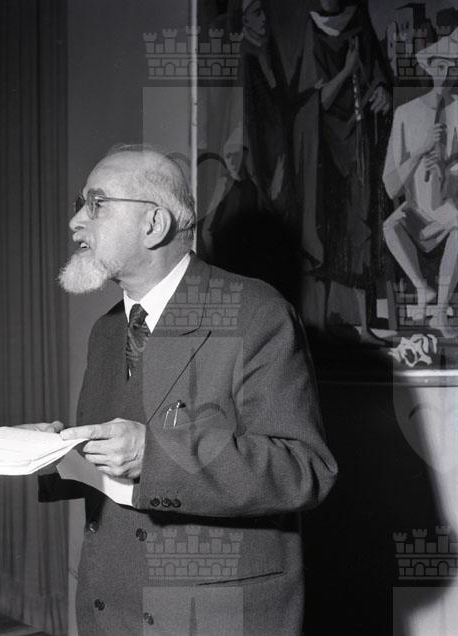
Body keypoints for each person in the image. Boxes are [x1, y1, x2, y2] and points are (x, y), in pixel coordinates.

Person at [35, 145, 337, 635]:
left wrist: (154, 456)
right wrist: (55, 454)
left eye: (96, 204)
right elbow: (114, 472)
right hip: (111, 613)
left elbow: (303, 470)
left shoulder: (256, 314)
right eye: (79, 204)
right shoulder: (107, 332)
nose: (75, 222)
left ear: (154, 224)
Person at [293, 0, 391, 343]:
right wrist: (347, 70)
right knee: (325, 231)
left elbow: (377, 74)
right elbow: (315, 100)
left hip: (358, 145)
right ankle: (321, 324)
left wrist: (382, 90)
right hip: (325, 150)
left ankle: (363, 326)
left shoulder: (359, 23)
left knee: (361, 226)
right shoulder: (308, 30)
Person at [201, 0, 300, 303]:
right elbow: (240, 118)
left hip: (268, 163)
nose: (265, 18)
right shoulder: (245, 59)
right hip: (254, 167)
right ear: (243, 20)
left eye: (265, 11)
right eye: (257, 12)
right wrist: (253, 166)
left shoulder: (265, 56)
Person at [382, 28, 458, 337]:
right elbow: (391, 186)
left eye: (453, 68)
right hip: (418, 210)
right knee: (390, 226)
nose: (446, 75)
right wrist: (419, 150)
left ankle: (440, 312)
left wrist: (446, 167)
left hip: (448, 206)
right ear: (429, 68)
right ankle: (421, 288)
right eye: (440, 66)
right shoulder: (406, 113)